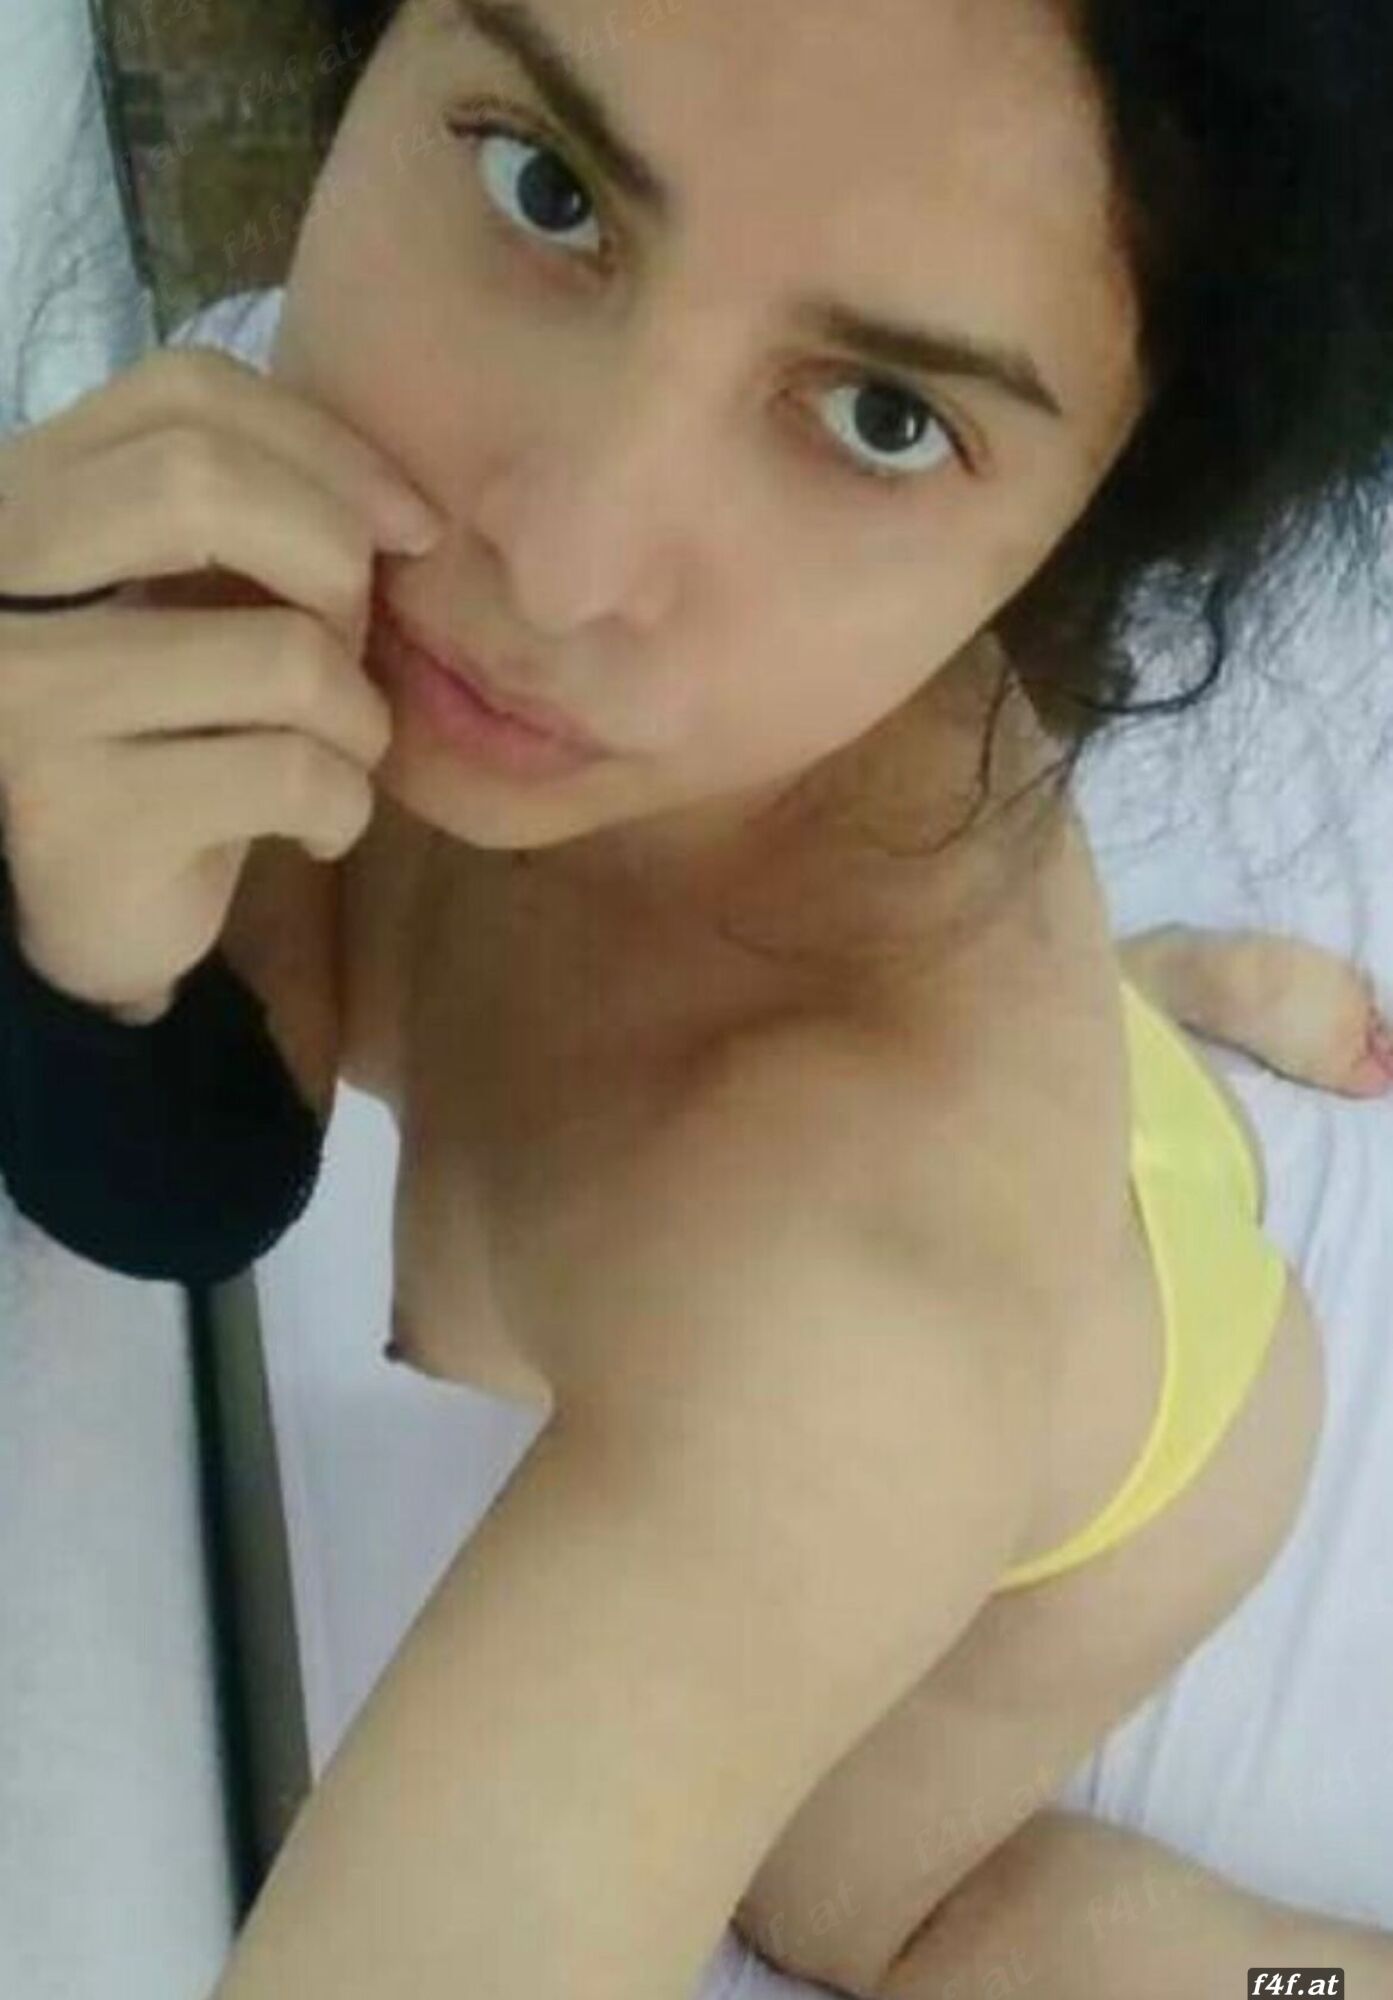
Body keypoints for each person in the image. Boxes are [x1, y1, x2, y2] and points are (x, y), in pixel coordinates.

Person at [2, 1, 1393, 1994]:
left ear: (1095, 524)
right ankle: (1167, 1000)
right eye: (548, 188)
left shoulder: (847, 1324)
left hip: (1146, 1451)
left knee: (866, 1918)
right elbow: (198, 1146)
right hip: (1058, 1081)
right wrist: (79, 931)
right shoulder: (265, 497)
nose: (552, 567)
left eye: (882, 416)